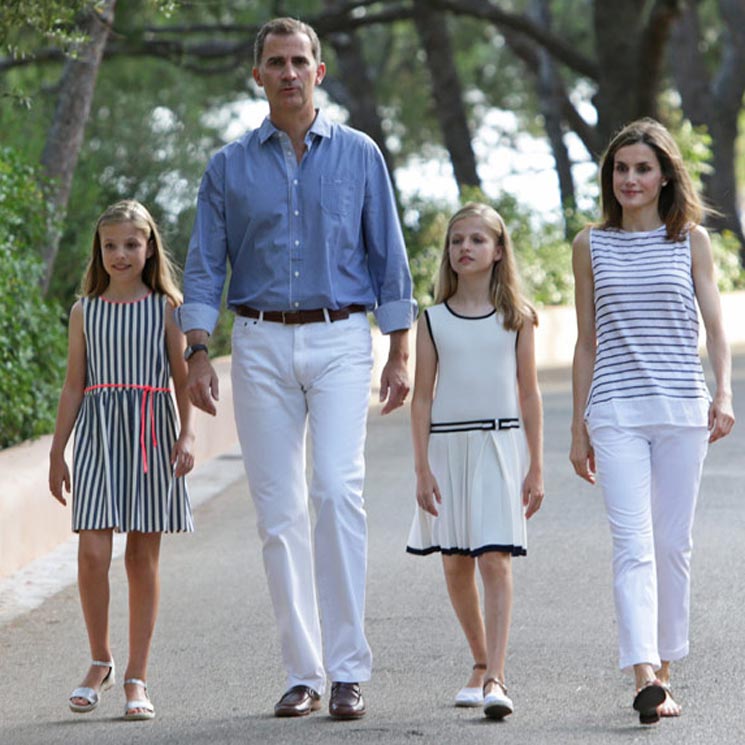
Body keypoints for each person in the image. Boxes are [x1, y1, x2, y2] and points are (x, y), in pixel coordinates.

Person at [178, 17, 416, 720]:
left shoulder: (359, 154)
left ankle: (348, 670)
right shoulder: (227, 166)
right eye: (275, 62)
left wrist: (399, 348)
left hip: (342, 336)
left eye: (299, 61)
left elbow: (388, 254)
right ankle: (303, 671)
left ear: (319, 72)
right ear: (257, 75)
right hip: (256, 341)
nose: (287, 72)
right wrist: (196, 349)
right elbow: (202, 265)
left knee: (338, 492)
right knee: (278, 511)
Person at [570, 118, 735, 725]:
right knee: (632, 544)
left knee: (672, 544)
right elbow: (586, 341)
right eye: (621, 169)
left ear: (665, 174)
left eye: (642, 168)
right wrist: (577, 424)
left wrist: (724, 394)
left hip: (682, 410)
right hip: (615, 411)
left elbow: (716, 327)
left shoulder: (690, 240)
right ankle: (643, 672)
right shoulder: (591, 244)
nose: (630, 179)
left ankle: (666, 665)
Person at [48, 200, 195, 722]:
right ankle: (99, 659)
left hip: (152, 438)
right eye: (110, 245)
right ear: (99, 250)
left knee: (140, 560)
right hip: (97, 439)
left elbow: (181, 379)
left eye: (131, 243)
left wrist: (188, 435)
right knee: (91, 553)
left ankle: (137, 675)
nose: (120, 254)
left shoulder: (167, 307)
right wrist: (56, 452)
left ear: (149, 245)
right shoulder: (84, 310)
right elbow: (72, 386)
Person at [406, 202, 544, 719]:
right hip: (447, 448)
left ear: (498, 249)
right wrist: (421, 467)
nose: (465, 248)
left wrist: (536, 466)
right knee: (455, 559)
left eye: (477, 240)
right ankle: (479, 660)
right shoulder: (433, 320)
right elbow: (422, 398)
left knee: (494, 557)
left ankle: (497, 678)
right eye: (456, 240)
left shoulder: (518, 318)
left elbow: (529, 395)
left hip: (499, 445)